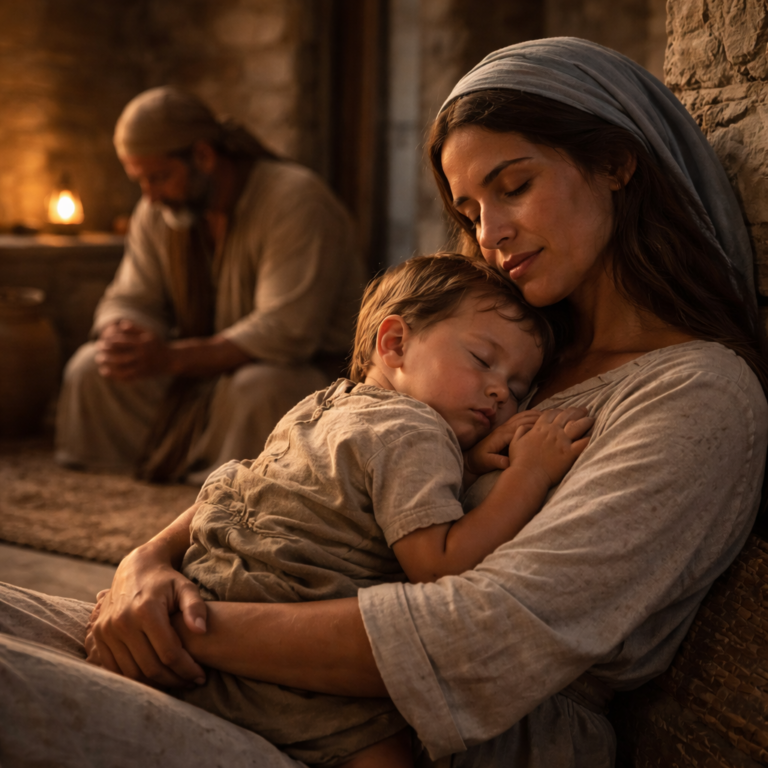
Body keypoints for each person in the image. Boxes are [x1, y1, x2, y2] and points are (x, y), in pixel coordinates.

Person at [1, 37, 767, 768]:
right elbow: (321, 454)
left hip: (391, 735)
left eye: (515, 185)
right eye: (469, 212)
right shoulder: (515, 343)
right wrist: (146, 564)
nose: (491, 234)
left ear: (614, 163)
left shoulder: (695, 392)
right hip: (253, 643)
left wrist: (191, 628)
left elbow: (483, 637)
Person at [170, 253, 592, 767]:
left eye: (520, 389)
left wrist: (467, 462)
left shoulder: (323, 404)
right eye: (483, 359)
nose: (502, 390)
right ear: (394, 344)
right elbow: (440, 564)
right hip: (289, 669)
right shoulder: (414, 432)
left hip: (209, 594)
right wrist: (530, 474)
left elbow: (358, 486)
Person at [55, 86, 363, 484]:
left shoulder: (294, 199)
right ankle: (154, 467)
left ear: (203, 155)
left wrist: (171, 358)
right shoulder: (159, 209)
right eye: (140, 181)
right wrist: (127, 337)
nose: (149, 195)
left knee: (260, 390)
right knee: (89, 368)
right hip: (202, 372)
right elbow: (131, 295)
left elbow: (285, 332)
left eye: (159, 177)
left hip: (294, 373)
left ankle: (235, 484)